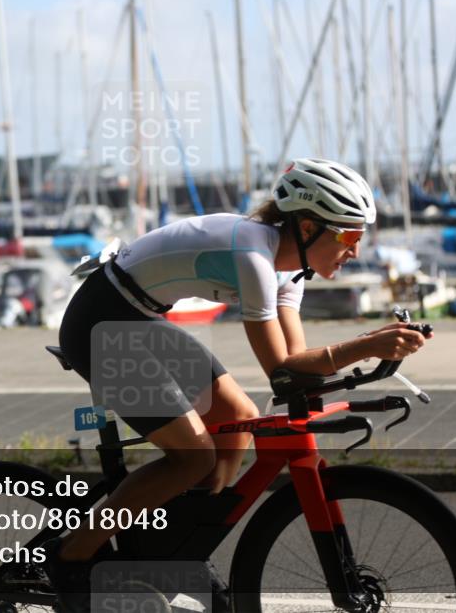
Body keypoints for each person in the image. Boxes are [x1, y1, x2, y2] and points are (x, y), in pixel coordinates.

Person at [49, 158, 432, 611]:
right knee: (192, 459)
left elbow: (297, 372)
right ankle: (69, 558)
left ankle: (177, 550)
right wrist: (366, 346)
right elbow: (280, 367)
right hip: (100, 325)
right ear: (308, 227)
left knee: (241, 419)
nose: (355, 250)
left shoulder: (291, 271)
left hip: (139, 318)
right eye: (348, 236)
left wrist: (368, 347)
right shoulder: (253, 257)